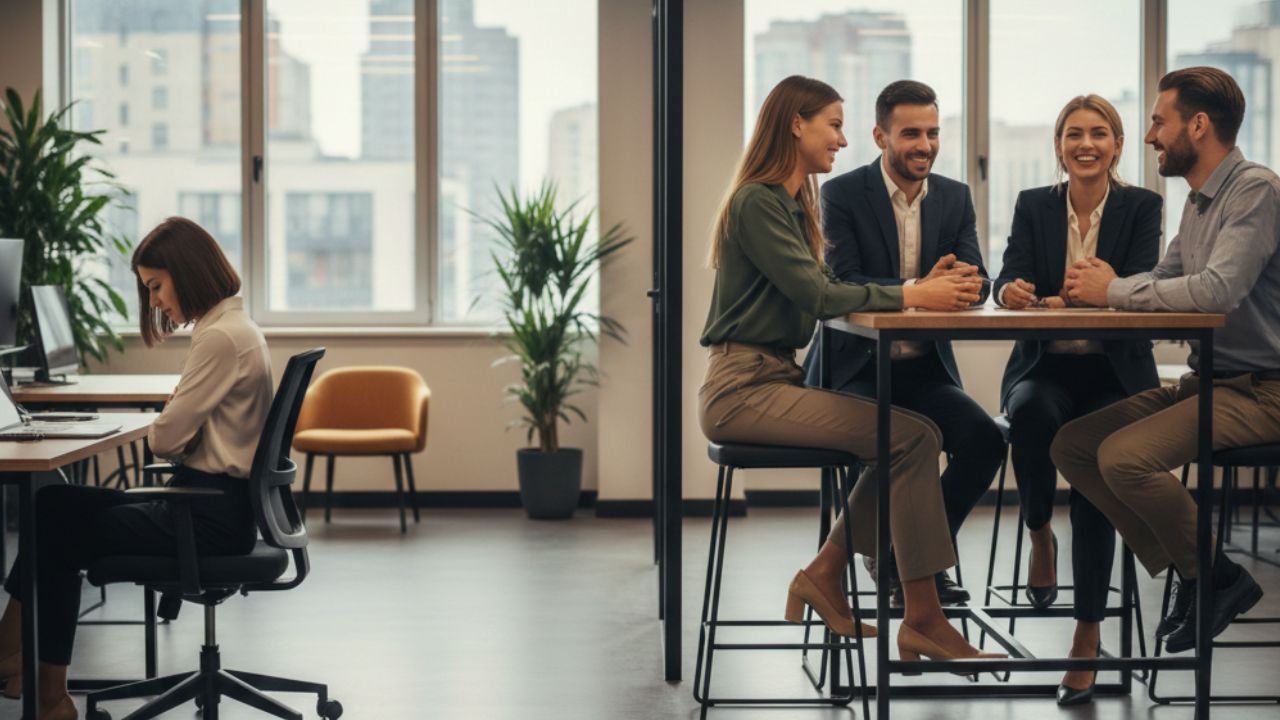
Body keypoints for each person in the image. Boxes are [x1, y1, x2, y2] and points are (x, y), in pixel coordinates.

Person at [698, 74, 1003, 665]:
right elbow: (818, 293)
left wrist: (927, 287)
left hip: (773, 377)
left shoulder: (792, 201)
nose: (841, 140)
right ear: (796, 124)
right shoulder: (759, 200)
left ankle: (832, 575)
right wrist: (916, 294)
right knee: (913, 437)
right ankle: (920, 618)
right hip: (741, 389)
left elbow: (832, 285)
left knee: (914, 438)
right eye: (833, 125)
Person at [1053, 66, 1273, 702]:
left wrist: (1112, 289)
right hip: (1214, 383)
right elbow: (1165, 279)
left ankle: (1213, 577)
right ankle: (1201, 572)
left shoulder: (1254, 192)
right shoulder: (1200, 201)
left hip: (1264, 392)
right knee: (1072, 445)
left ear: (1197, 126)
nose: (1150, 135)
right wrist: (1088, 293)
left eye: (1157, 121)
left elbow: (1214, 293)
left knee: (1124, 459)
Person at [0, 217, 270, 720]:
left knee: (55, 524)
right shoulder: (234, 328)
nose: (155, 302)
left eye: (156, 286)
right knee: (53, 503)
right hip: (216, 507)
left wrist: (171, 421)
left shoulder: (220, 339)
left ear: (186, 273)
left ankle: (47, 693)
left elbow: (165, 440)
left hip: (207, 518)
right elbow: (177, 432)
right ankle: (13, 655)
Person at [803, 80, 1004, 604]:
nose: (925, 145)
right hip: (855, 370)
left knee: (986, 441)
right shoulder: (840, 194)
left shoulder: (955, 196)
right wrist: (919, 292)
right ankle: (922, 572)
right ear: (880, 136)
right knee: (911, 440)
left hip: (925, 369)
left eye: (933, 133)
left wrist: (959, 280)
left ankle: (906, 558)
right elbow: (842, 285)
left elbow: (978, 277)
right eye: (911, 133)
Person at [993, 94, 1162, 705]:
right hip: (1046, 366)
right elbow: (1008, 274)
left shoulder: (1143, 206)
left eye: (1098, 133)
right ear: (1059, 146)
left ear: (1117, 145)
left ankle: (1087, 633)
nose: (1085, 144)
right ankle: (1039, 530)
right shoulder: (1033, 204)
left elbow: (1142, 284)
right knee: (1033, 411)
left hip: (1116, 377)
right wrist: (1010, 290)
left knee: (1094, 460)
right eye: (1072, 134)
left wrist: (1085, 298)